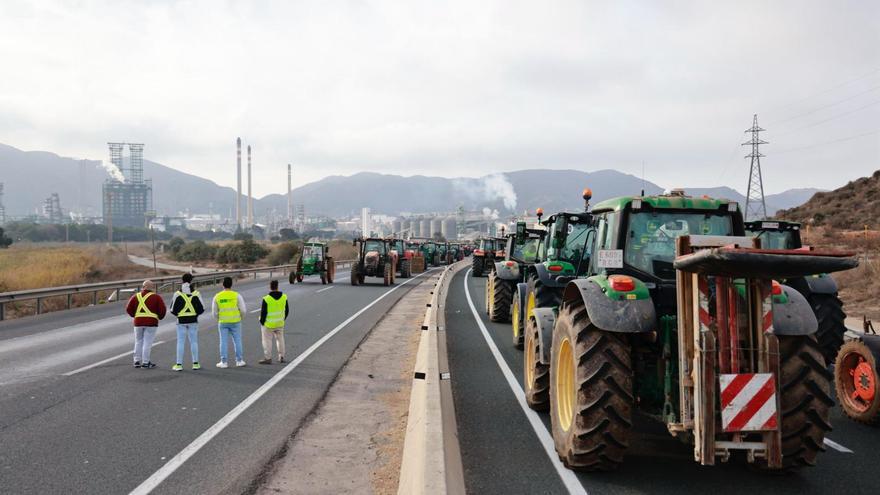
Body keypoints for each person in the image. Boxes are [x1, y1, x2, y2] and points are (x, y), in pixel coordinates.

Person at [125, 279, 167, 369]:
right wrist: (160, 317)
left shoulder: (136, 296)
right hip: (151, 323)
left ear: (143, 287)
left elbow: (128, 308)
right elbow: (162, 310)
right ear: (152, 288)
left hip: (138, 322)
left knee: (138, 341)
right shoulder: (156, 297)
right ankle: (145, 362)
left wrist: (135, 315)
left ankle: (136, 361)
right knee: (147, 343)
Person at [169, 273, 205, 371]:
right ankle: (195, 363)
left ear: (182, 280)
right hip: (193, 320)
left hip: (181, 321)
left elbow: (172, 310)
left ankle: (179, 365)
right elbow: (202, 308)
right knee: (193, 342)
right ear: (191, 281)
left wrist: (179, 315)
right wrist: (195, 314)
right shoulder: (196, 293)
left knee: (180, 342)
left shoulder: (177, 294)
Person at [212, 276, 247, 368]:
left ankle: (224, 362)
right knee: (237, 340)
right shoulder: (237, 295)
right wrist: (240, 317)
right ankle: (239, 361)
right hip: (235, 321)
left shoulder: (217, 296)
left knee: (223, 341)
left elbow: (214, 312)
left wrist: (219, 318)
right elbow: (243, 310)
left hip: (223, 322)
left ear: (222, 285)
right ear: (231, 284)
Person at [258, 279, 289, 364]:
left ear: (270, 287)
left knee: (267, 341)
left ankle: (268, 358)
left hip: (268, 324)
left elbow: (263, 312)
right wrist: (282, 318)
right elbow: (287, 311)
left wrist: (262, 322)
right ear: (277, 286)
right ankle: (281, 356)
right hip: (280, 323)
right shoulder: (284, 297)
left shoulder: (266, 299)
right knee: (280, 339)